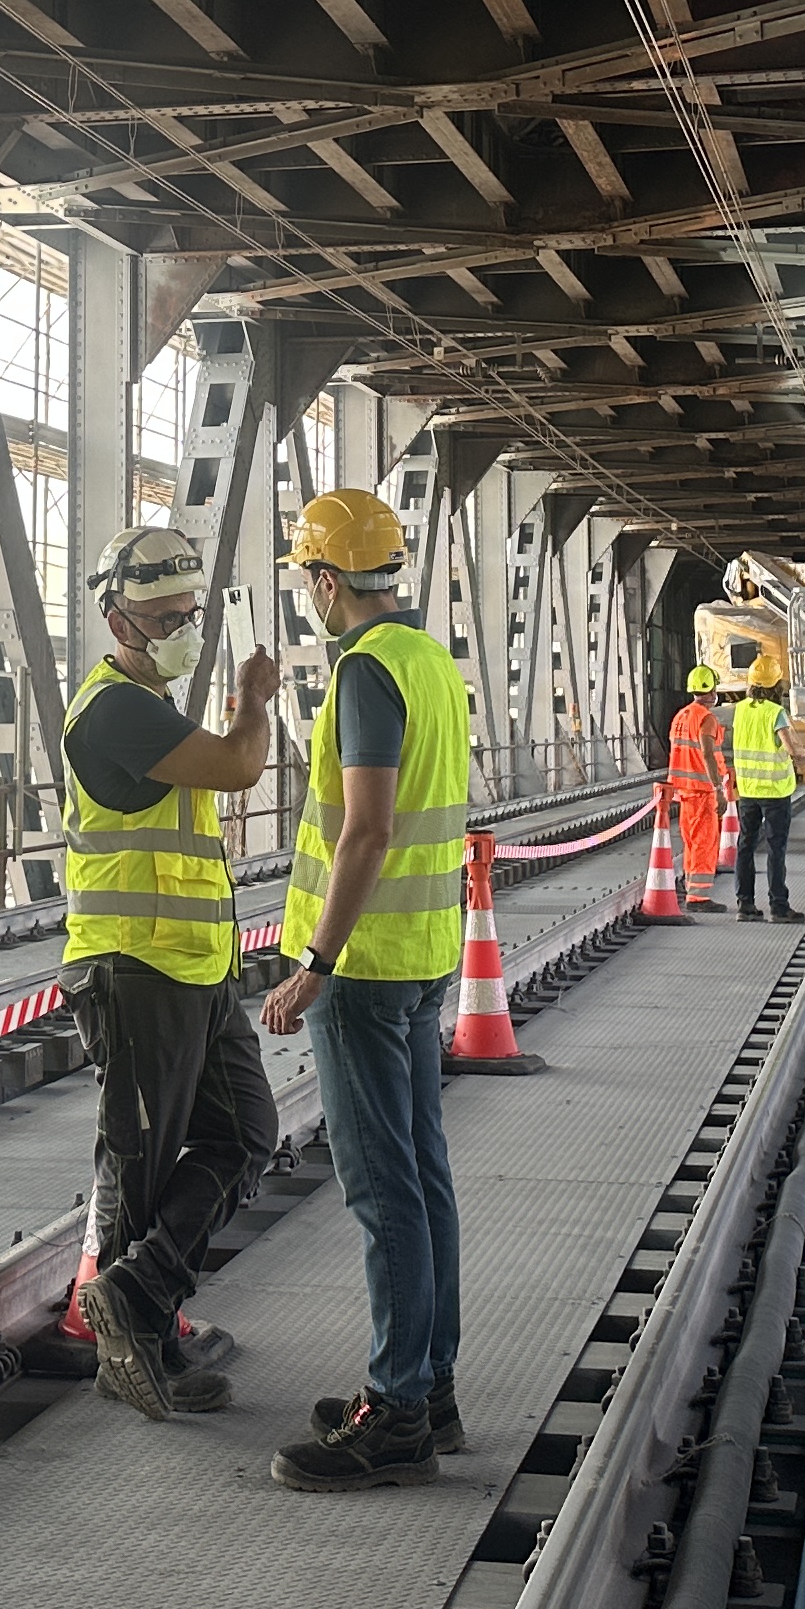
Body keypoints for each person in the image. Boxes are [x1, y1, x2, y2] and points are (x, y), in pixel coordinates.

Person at [257, 487, 473, 1491]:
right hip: (423, 954)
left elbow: (368, 829)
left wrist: (316, 962)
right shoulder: (429, 659)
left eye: (307, 576)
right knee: (422, 1176)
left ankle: (394, 1415)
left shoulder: (364, 671)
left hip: (367, 967)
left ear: (324, 580)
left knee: (385, 1190)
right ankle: (430, 1388)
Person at [62, 524, 286, 1423]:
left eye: (189, 613)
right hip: (133, 967)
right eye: (162, 617)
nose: (180, 628)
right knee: (141, 1163)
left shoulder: (153, 706)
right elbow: (240, 766)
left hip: (191, 967)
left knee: (246, 1135)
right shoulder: (115, 710)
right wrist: (253, 699)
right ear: (118, 621)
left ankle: (138, 1293)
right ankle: (136, 1353)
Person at [728, 660, 799, 921]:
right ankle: (779, 906)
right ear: (776, 685)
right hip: (775, 791)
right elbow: (791, 748)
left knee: (745, 845)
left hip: (748, 790)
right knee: (775, 848)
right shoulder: (775, 712)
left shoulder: (740, 710)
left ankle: (745, 905)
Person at [664, 664, 731, 912]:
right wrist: (718, 788)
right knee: (704, 842)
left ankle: (692, 888)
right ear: (712, 690)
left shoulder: (681, 716)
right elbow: (707, 754)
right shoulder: (706, 718)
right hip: (702, 790)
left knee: (692, 842)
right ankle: (698, 898)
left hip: (685, 791)